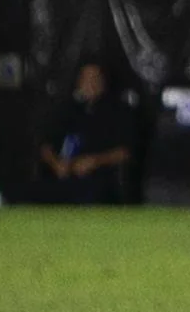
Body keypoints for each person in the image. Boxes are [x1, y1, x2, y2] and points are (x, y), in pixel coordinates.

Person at [36, 61, 135, 205]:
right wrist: (56, 163)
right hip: (62, 175)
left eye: (95, 78)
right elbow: (45, 146)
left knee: (89, 193)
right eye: (87, 78)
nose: (91, 84)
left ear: (103, 82)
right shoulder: (66, 110)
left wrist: (96, 161)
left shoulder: (119, 111)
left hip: (98, 178)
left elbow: (125, 152)